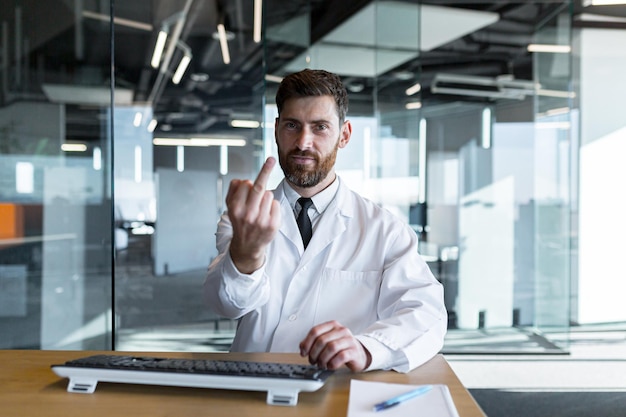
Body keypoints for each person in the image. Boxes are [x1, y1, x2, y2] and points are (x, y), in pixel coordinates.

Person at [204, 69, 446, 373]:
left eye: (320, 127)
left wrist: (368, 348)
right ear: (277, 129)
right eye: (293, 126)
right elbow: (227, 305)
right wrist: (246, 253)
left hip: (337, 388)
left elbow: (427, 314)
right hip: (253, 383)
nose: (304, 142)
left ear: (343, 135)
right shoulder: (244, 215)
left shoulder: (384, 229)